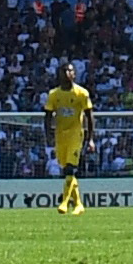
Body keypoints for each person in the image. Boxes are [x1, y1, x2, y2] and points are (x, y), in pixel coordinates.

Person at [45, 63, 93, 216]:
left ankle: (65, 202)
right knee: (66, 171)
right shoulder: (54, 94)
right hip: (60, 136)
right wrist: (48, 136)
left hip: (75, 134)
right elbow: (47, 117)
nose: (67, 73)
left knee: (70, 169)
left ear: (74, 74)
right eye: (64, 70)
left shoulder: (81, 93)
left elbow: (90, 117)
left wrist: (90, 138)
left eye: (70, 70)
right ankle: (78, 204)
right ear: (59, 74)